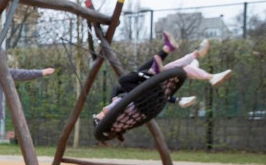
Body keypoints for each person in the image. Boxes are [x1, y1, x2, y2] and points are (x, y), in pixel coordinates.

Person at [95, 33, 232, 124]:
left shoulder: (115, 111)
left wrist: (115, 98)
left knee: (176, 68)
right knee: (126, 80)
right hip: (144, 99)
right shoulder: (112, 115)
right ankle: (189, 59)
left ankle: (193, 63)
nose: (99, 113)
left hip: (146, 96)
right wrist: (111, 104)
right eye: (98, 116)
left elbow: (117, 92)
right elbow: (112, 105)